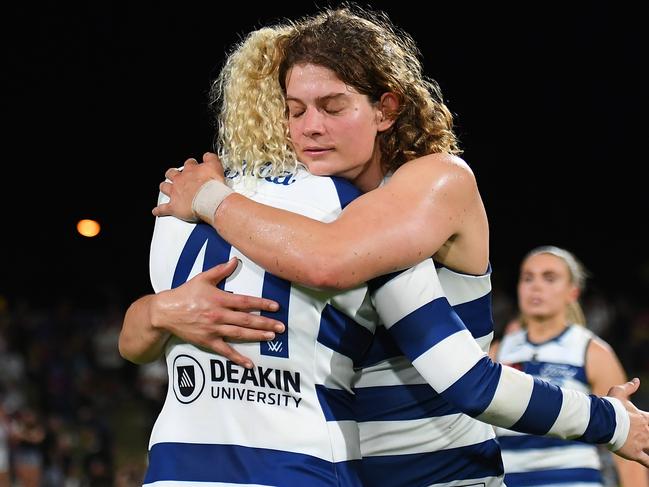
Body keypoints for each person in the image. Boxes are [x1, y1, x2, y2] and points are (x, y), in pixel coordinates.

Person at [125, 5, 649, 487]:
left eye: (333, 107)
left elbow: (334, 263)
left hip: (445, 476)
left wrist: (209, 196)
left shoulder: (435, 179)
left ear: (386, 109)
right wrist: (161, 310)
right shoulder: (309, 212)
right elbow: (143, 337)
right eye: (296, 110)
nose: (310, 128)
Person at [490, 246, 649, 487]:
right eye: (527, 278)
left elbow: (627, 443)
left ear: (573, 292)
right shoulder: (497, 351)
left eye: (549, 278)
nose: (536, 286)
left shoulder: (592, 351)